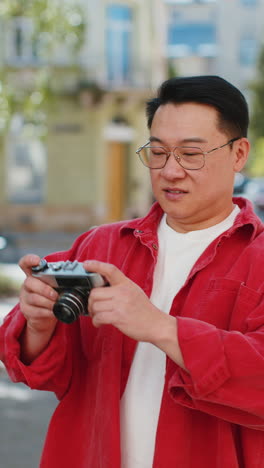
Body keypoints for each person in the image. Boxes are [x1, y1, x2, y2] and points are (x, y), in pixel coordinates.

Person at [1, 75, 264, 468]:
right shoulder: (99, 247)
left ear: (239, 153)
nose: (170, 171)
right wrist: (39, 325)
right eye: (157, 152)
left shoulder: (258, 259)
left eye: (191, 154)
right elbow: (44, 373)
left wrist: (159, 326)